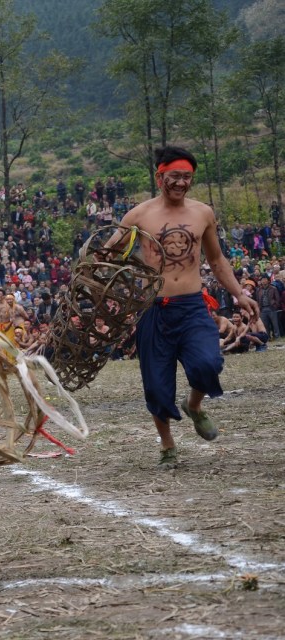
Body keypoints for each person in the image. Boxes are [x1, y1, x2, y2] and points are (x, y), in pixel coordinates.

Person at [111, 146, 259, 468]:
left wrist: (240, 295)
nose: (180, 183)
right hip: (154, 309)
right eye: (174, 176)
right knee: (157, 385)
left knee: (208, 363)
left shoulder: (202, 213)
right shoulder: (138, 216)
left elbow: (217, 260)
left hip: (192, 306)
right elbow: (109, 255)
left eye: (186, 177)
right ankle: (167, 446)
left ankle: (194, 406)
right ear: (159, 176)